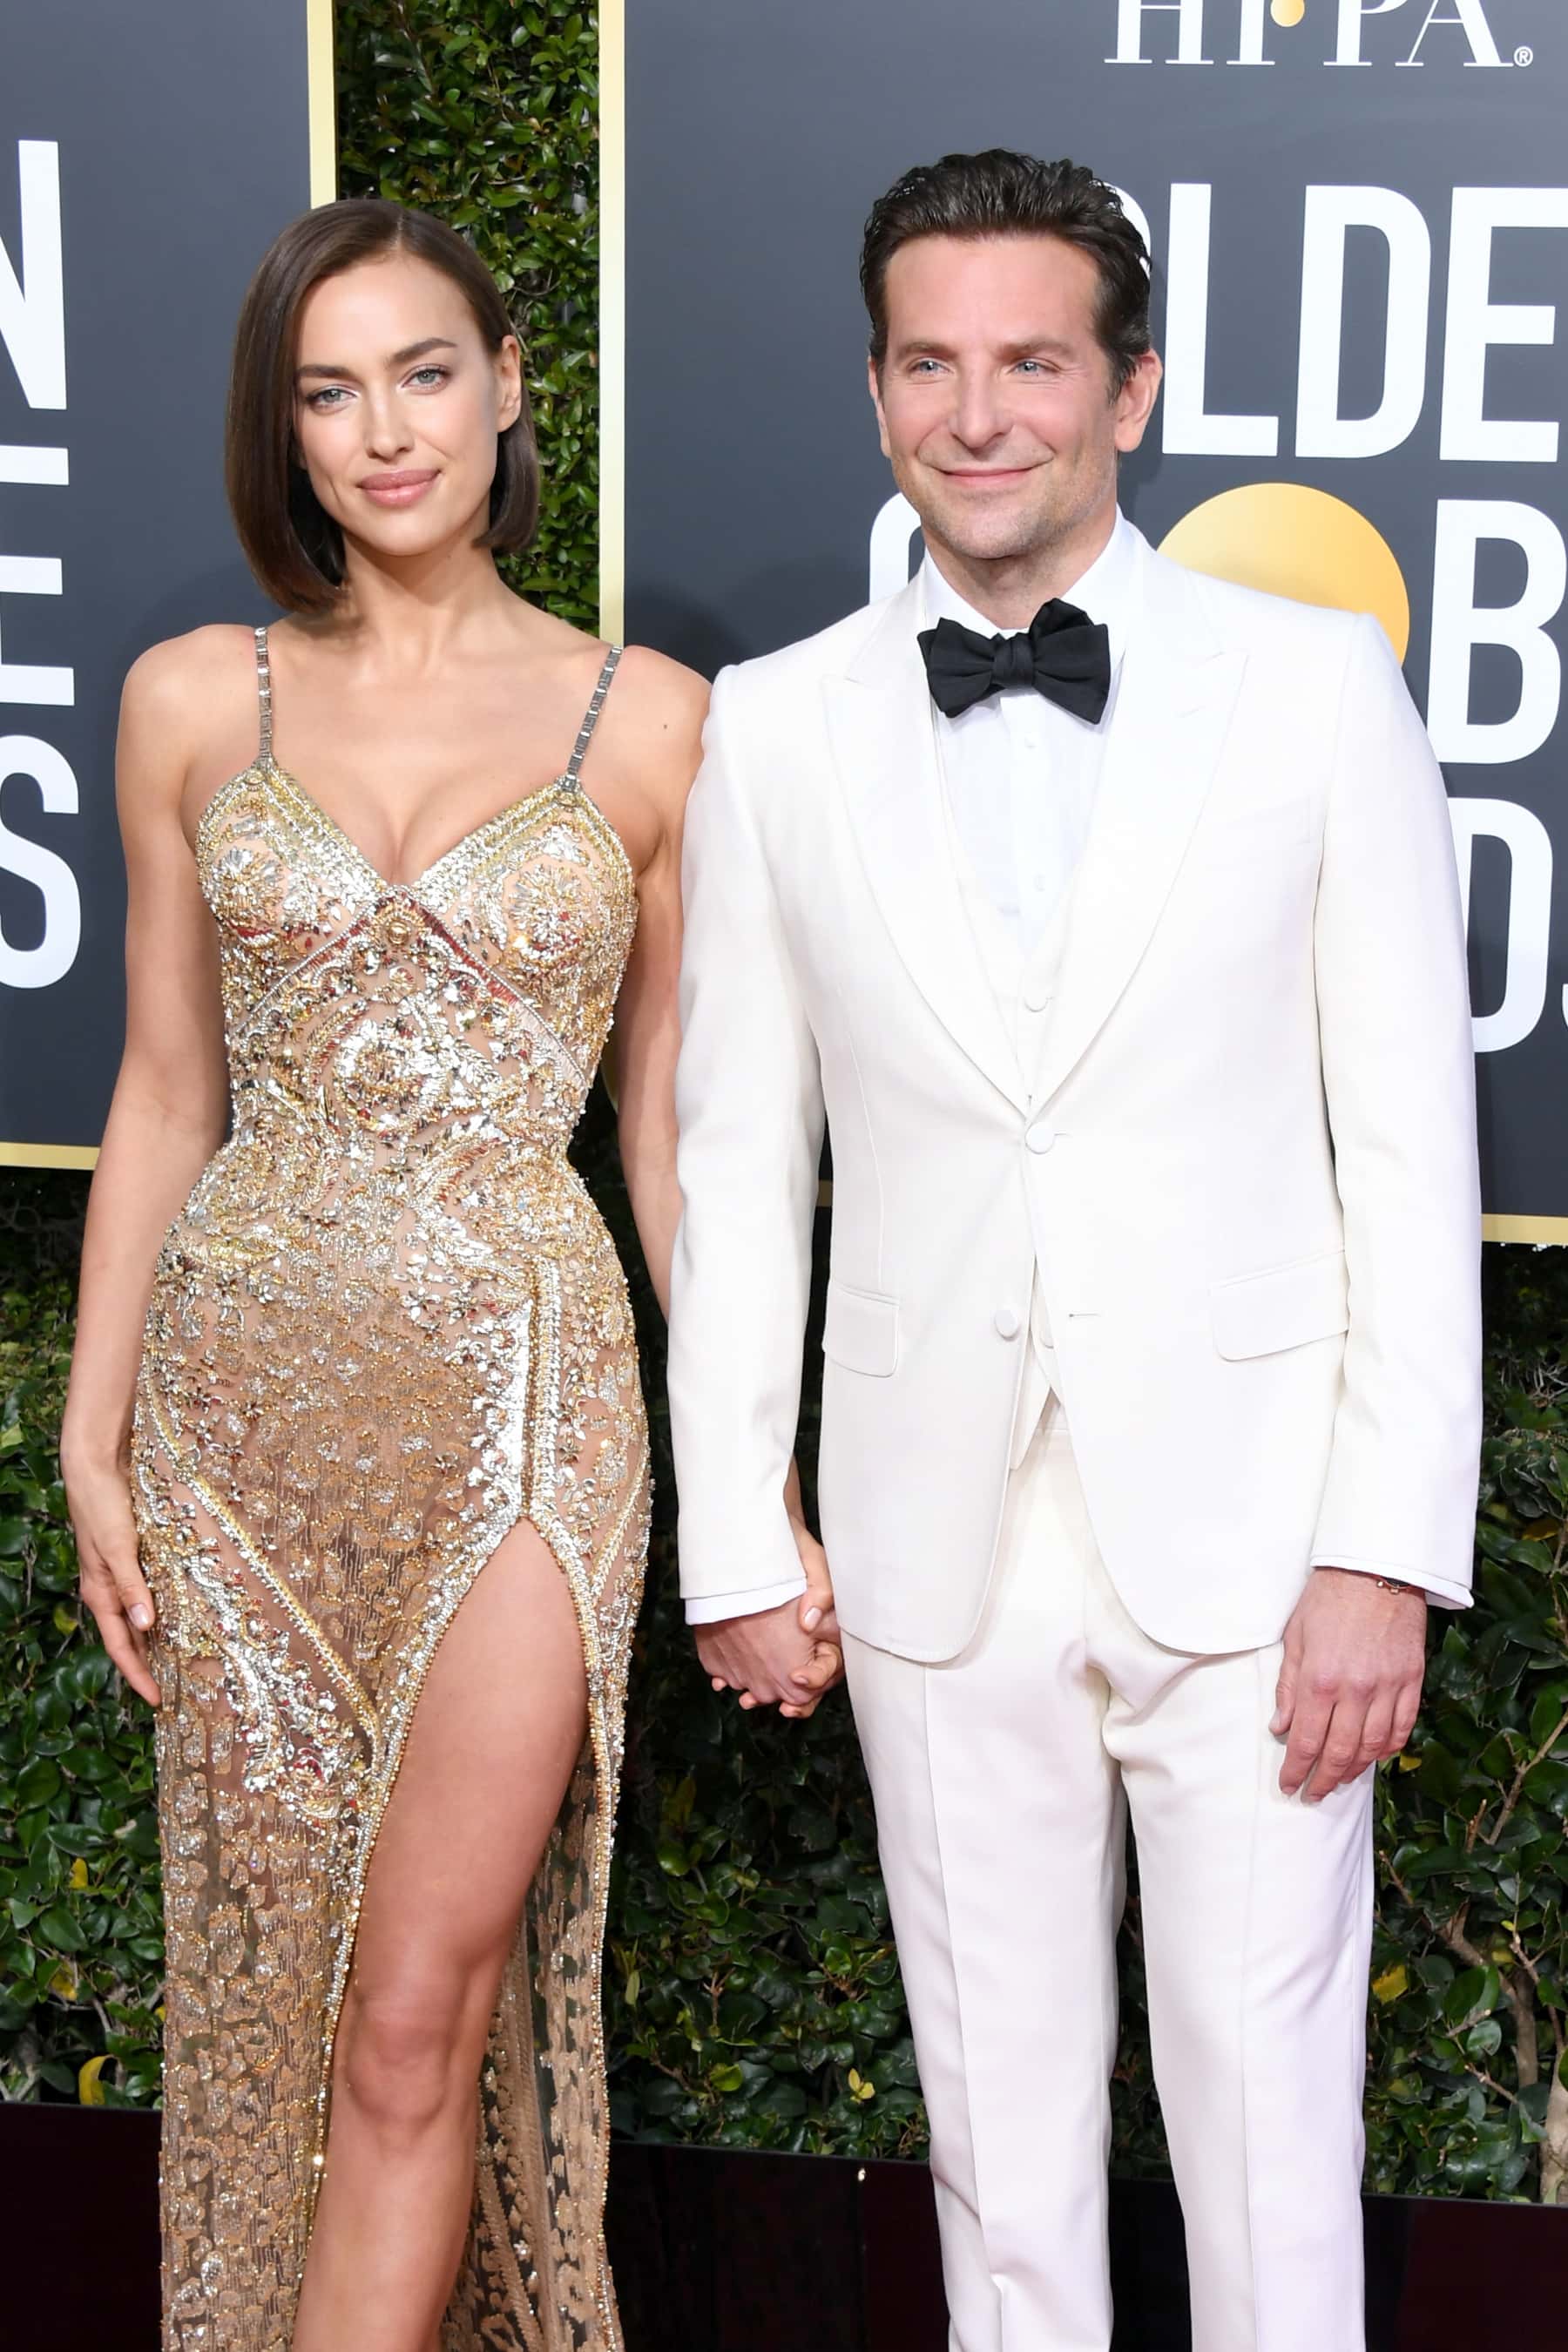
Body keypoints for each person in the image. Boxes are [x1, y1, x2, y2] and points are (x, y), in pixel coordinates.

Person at [668, 151, 1482, 2351]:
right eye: (931, 363)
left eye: (1034, 361)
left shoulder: (1316, 694)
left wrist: (1383, 1550)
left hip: (1255, 1539)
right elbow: (738, 1158)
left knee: (1271, 2148)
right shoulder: (773, 728)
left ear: (1131, 388)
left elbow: (1410, 1147)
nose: (980, 412)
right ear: (874, 393)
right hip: (935, 1539)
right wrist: (737, 1528)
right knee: (997, 2159)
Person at [60, 198, 836, 2352]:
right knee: (282, 2007)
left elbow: (672, 1147)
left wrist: (755, 1474)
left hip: (526, 1391)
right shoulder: (189, 703)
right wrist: (87, 1422)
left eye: (421, 374)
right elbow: (159, 1092)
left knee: (416, 2013)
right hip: (242, 1410)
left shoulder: (660, 723)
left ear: (511, 382)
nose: (382, 433)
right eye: (328, 391)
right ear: (283, 432)